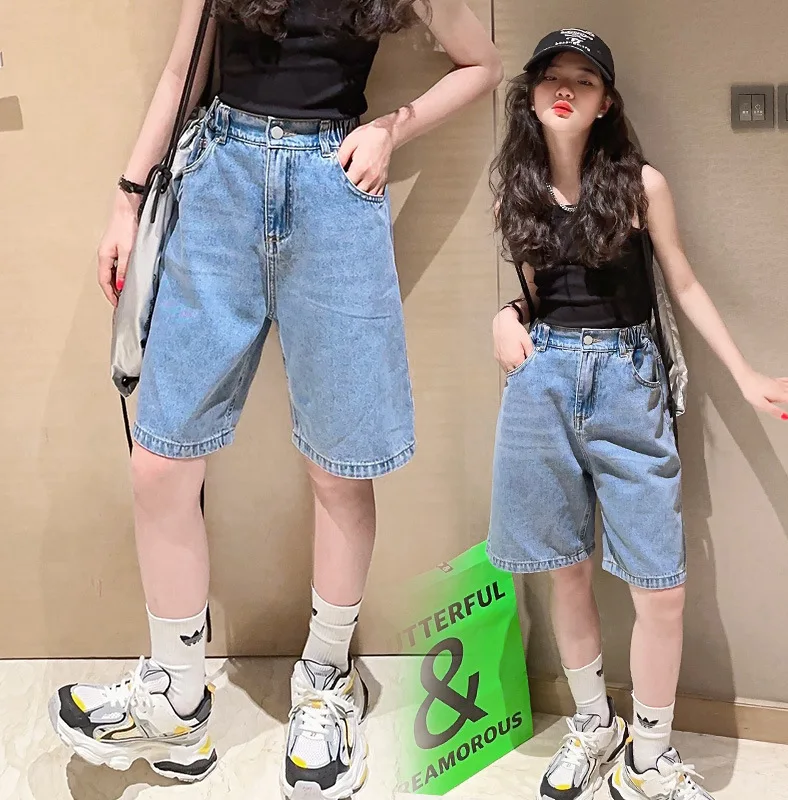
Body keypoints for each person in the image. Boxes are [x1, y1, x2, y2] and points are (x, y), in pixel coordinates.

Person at [47, 2, 502, 797]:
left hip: (335, 188)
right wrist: (127, 197)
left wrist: (390, 130)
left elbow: (484, 65)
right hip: (219, 180)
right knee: (159, 461)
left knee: (340, 466)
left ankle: (327, 678)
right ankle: (175, 697)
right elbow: (180, 73)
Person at [488, 27, 788, 800]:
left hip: (629, 382)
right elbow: (534, 294)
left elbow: (682, 283)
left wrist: (746, 374)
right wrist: (503, 316)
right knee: (566, 571)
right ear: (531, 94)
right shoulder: (515, 187)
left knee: (661, 587)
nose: (566, 89)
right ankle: (593, 726)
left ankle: (649, 758)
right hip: (541, 383)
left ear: (606, 103)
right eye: (552, 76)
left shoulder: (639, 185)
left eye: (584, 80)